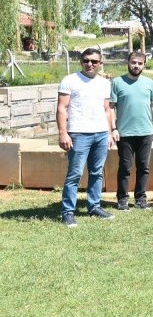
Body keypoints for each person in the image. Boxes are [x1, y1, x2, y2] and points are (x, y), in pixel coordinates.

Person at [56, 48, 115, 227]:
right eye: (86, 60)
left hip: (100, 134)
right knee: (74, 174)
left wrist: (110, 132)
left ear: (100, 64)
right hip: (79, 133)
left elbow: (107, 109)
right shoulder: (70, 81)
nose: (90, 64)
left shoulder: (105, 83)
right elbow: (61, 108)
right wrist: (63, 132)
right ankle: (67, 212)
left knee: (97, 173)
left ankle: (94, 206)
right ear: (81, 62)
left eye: (94, 61)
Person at [110, 50, 153, 211]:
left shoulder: (150, 83)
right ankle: (122, 199)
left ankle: (141, 198)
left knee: (143, 166)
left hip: (145, 132)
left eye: (140, 63)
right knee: (125, 167)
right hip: (124, 133)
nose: (136, 66)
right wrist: (113, 128)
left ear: (144, 65)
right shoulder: (117, 82)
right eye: (134, 62)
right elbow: (111, 107)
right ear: (128, 63)